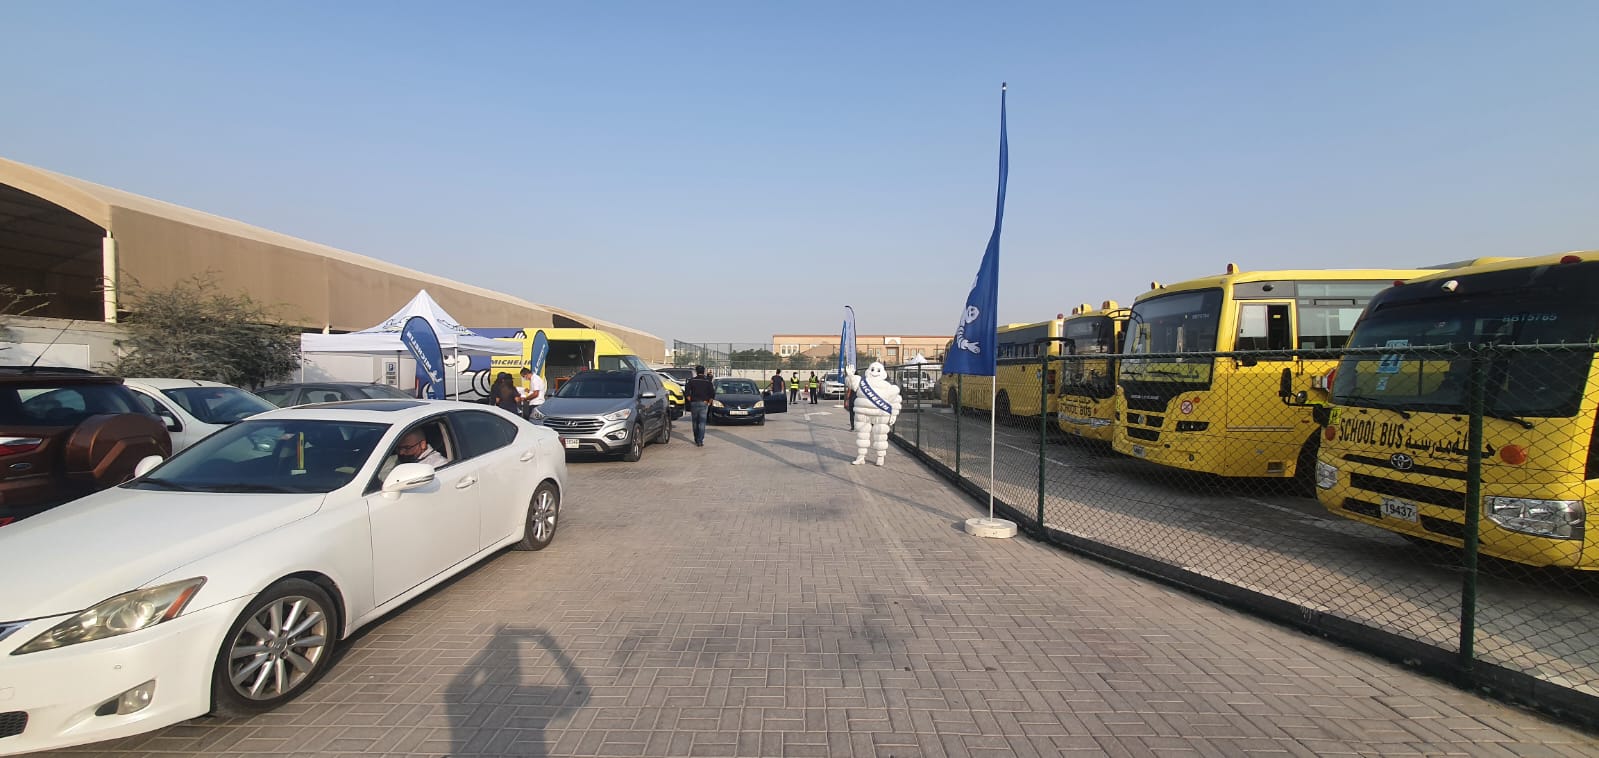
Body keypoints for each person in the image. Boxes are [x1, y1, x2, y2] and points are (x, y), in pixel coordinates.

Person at [847, 362, 903, 466]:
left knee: (880, 436)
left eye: (878, 370)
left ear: (883, 373)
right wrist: (850, 376)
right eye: (872, 369)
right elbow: (852, 384)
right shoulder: (862, 382)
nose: (874, 372)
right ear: (868, 371)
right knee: (862, 436)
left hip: (880, 414)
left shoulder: (887, 386)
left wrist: (894, 414)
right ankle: (861, 457)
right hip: (863, 413)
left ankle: (880, 457)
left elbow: (895, 400)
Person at [684, 364, 716, 447]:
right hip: (704, 403)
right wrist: (709, 402)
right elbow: (712, 394)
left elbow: (687, 393)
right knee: (702, 423)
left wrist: (691, 400)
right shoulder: (707, 382)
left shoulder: (691, 381)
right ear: (704, 372)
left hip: (694, 403)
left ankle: (696, 438)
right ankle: (700, 440)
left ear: (696, 372)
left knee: (695, 422)